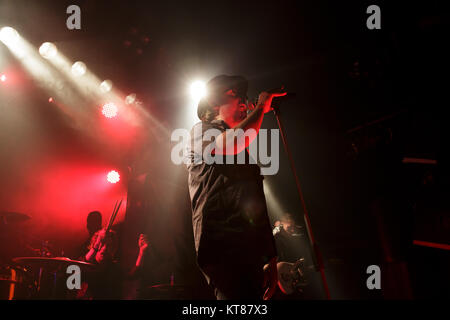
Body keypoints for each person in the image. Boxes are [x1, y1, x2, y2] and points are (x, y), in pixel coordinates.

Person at [185, 74, 286, 300]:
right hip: (222, 247)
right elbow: (232, 142)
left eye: (245, 97)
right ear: (213, 103)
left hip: (249, 249)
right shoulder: (201, 131)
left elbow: (256, 205)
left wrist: (270, 255)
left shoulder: (243, 153)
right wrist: (261, 105)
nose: (243, 101)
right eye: (235, 95)